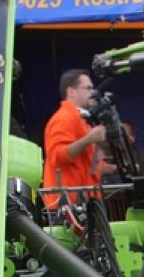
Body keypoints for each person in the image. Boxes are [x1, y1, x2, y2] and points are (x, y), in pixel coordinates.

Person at [42, 69, 108, 211]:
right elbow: (58, 156)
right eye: (88, 88)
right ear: (71, 91)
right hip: (69, 208)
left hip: (84, 205)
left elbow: (91, 166)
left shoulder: (81, 120)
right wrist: (89, 139)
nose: (93, 92)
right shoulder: (64, 118)